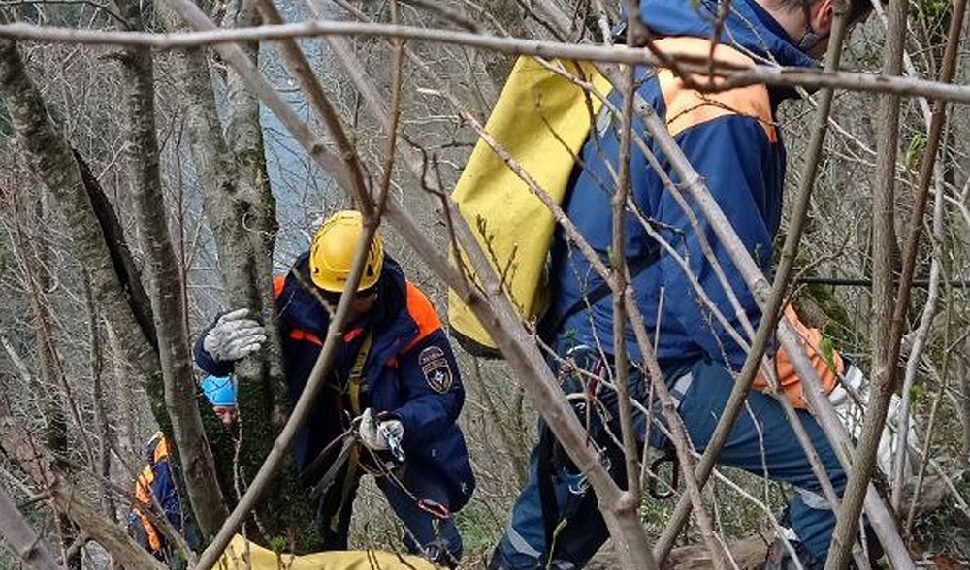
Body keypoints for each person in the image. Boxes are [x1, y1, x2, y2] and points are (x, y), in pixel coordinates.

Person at [488, 0, 881, 568]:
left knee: (552, 532)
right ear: (825, 14)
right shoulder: (725, 99)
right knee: (844, 467)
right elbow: (724, 306)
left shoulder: (672, 47)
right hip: (643, 358)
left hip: (589, 341)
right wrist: (834, 387)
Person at [193, 210, 475, 567]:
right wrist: (210, 348)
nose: (340, 308)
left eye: (353, 298)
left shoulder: (408, 308)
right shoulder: (282, 299)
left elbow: (442, 394)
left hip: (394, 435)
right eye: (330, 295)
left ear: (372, 287)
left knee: (439, 545)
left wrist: (399, 425)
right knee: (316, 548)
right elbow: (215, 355)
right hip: (314, 438)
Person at [129, 374, 238, 562]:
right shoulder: (171, 449)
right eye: (220, 412)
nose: (228, 420)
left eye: (233, 412)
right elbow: (170, 507)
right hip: (165, 538)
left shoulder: (231, 441)